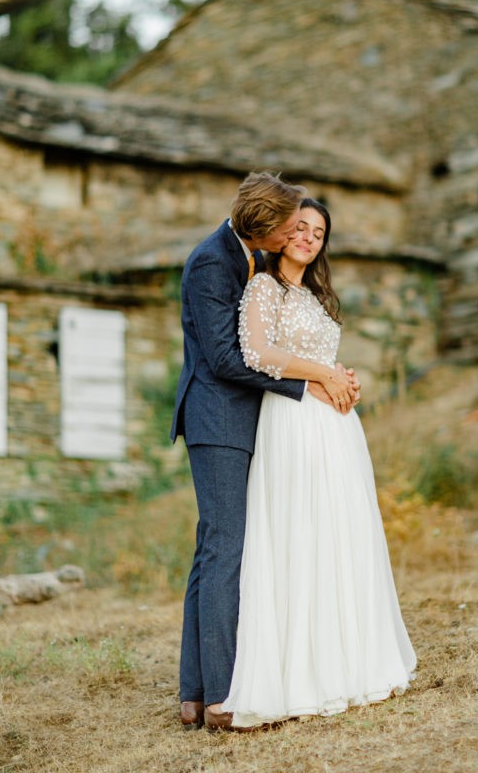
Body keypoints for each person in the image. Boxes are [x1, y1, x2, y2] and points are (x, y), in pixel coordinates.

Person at [170, 174, 359, 732]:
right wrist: (309, 387)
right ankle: (224, 697)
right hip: (219, 420)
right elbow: (230, 360)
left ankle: (196, 691)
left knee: (215, 548)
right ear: (264, 223)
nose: (293, 234)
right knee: (227, 548)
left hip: (251, 421)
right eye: (287, 225)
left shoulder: (249, 257)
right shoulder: (213, 261)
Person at [223, 198, 417, 729]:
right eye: (301, 227)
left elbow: (317, 361)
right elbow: (257, 353)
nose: (309, 236)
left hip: (336, 428)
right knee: (301, 533)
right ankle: (302, 675)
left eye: (319, 231)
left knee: (342, 533)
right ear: (283, 234)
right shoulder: (264, 286)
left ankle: (352, 663)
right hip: (291, 422)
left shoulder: (316, 295)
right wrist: (321, 374)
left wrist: (341, 377)